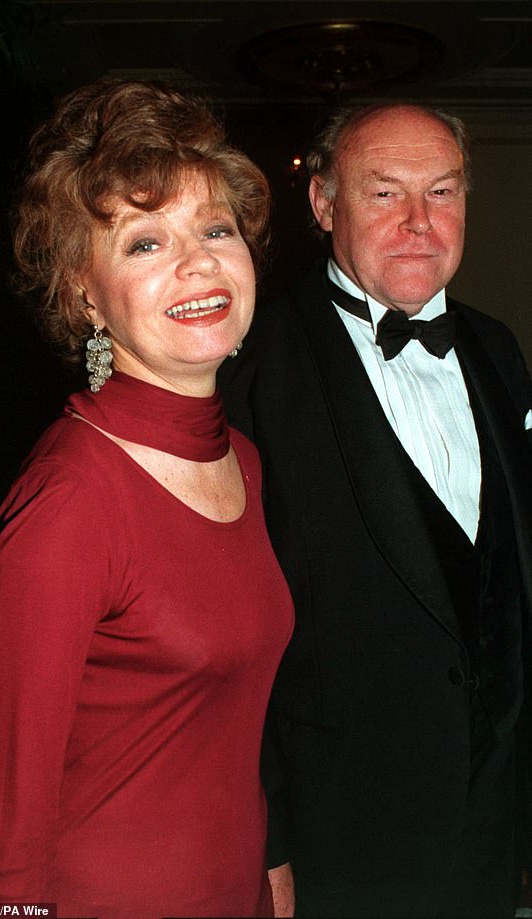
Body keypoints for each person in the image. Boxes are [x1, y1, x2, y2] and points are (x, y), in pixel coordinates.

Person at [0, 78, 294, 918]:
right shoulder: (70, 504)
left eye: (215, 228)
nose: (199, 262)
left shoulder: (246, 461)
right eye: (145, 242)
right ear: (84, 293)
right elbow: (0, 845)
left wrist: (269, 864)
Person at [220, 103, 532, 918]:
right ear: (324, 204)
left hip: (494, 823)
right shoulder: (251, 371)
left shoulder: (499, 350)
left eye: (443, 191)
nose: (420, 222)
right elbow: (229, 640)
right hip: (345, 833)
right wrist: (269, 840)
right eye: (385, 193)